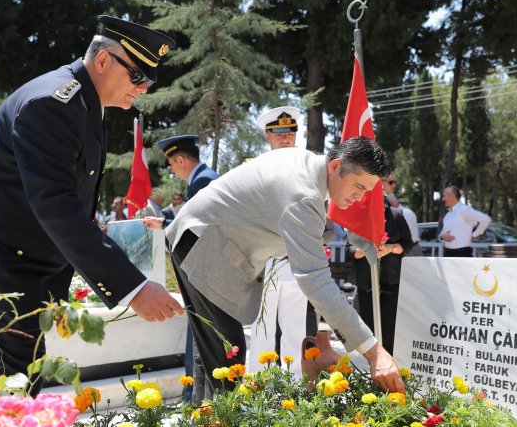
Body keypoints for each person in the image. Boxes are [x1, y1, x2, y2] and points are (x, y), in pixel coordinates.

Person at [0, 15, 184, 394]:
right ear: (103, 61)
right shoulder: (54, 103)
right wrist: (133, 288)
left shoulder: (82, 103)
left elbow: (64, 200)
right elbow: (56, 205)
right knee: (13, 389)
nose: (143, 88)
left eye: (150, 80)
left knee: (3, 390)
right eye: (137, 76)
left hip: (8, 262)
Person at [166, 136, 406, 401]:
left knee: (217, 358)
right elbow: (316, 281)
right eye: (358, 186)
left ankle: (203, 413)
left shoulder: (305, 162)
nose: (360, 197)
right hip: (205, 247)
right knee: (227, 362)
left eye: (367, 191)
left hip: (200, 239)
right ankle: (213, 416)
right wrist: (374, 351)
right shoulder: (304, 195)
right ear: (335, 166)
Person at [143, 134, 219, 401]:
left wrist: (164, 227)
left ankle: (198, 399)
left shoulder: (204, 181)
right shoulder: (202, 179)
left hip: (206, 271)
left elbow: (201, 226)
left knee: (202, 338)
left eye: (172, 164)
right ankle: (197, 397)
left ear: (181, 160)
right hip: (204, 269)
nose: (172, 170)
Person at [247, 106, 320, 378]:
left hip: (295, 257)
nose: (285, 138)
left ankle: (294, 385)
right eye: (278, 134)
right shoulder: (253, 169)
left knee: (295, 328)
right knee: (262, 328)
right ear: (267, 136)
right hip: (264, 259)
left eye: (290, 132)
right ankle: (258, 385)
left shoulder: (307, 168)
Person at [349, 172, 413, 353]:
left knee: (388, 326)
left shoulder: (396, 214)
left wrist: (390, 248)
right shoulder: (358, 215)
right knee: (367, 326)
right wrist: (361, 251)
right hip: (366, 281)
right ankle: (370, 363)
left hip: (389, 280)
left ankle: (388, 360)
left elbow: (407, 244)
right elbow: (349, 248)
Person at [438, 185, 491, 257]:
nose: (443, 199)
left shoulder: (464, 210)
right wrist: (442, 237)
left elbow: (486, 219)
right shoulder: (448, 215)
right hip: (447, 254)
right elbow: (442, 234)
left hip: (462, 254)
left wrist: (474, 235)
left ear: (452, 196)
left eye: (444, 196)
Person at [385, 176, 421, 257]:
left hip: (408, 250)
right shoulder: (407, 212)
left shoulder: (400, 214)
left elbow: (404, 237)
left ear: (392, 203)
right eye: (390, 182)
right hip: (413, 247)